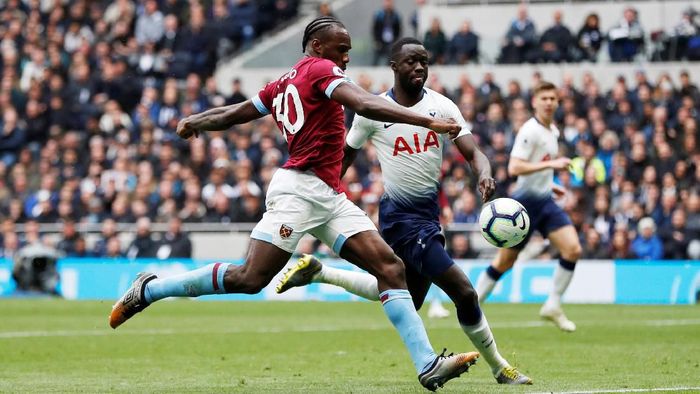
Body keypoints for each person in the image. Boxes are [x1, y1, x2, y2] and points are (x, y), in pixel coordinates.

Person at [110, 17, 477, 391]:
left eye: (348, 51)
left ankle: (428, 364)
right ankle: (151, 289)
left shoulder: (281, 83)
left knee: (390, 267)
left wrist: (195, 121)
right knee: (250, 279)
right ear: (317, 46)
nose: (346, 58)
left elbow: (235, 113)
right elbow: (364, 104)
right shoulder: (321, 70)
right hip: (298, 192)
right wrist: (423, 121)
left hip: (328, 195)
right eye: (342, 49)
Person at [276, 38, 531, 385]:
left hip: (428, 217)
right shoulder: (372, 112)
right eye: (411, 62)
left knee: (402, 293)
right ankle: (501, 368)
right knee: (465, 292)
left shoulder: (443, 107)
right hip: (400, 219)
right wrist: (317, 195)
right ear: (394, 67)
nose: (419, 68)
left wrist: (484, 174)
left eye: (424, 62)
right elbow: (344, 158)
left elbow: (474, 153)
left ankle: (322, 273)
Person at [475, 81, 582, 333]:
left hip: (544, 201)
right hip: (523, 206)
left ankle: (553, 305)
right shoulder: (530, 130)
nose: (548, 102)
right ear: (534, 102)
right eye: (543, 98)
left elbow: (536, 166)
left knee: (573, 249)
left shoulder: (552, 131)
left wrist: (549, 182)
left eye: (552, 98)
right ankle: (473, 301)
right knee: (505, 262)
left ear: (557, 102)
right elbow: (515, 167)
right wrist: (553, 166)